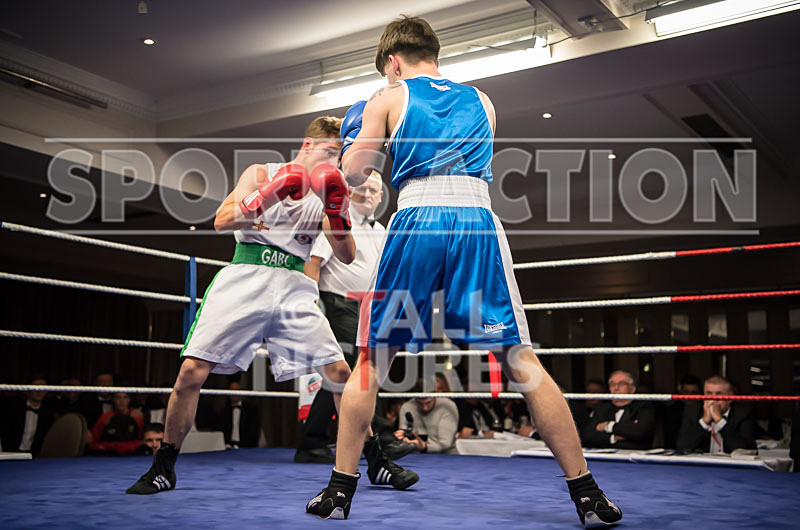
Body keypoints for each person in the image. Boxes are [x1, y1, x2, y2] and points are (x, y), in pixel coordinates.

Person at [307, 16, 622, 527]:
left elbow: (354, 174)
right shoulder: (483, 101)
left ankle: (340, 490)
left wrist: (352, 143)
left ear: (393, 62)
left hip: (417, 217)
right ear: (434, 55)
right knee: (519, 358)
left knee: (371, 360)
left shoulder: (388, 96)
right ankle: (586, 492)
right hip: (477, 218)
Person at [127, 117, 413, 495]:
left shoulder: (331, 190)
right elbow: (222, 220)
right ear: (307, 145)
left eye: (339, 156)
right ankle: (163, 467)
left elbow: (345, 255)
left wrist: (336, 211)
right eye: (330, 152)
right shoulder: (262, 173)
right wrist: (269, 194)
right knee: (192, 372)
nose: (335, 161)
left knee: (341, 374)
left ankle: (376, 460)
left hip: (294, 284)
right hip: (247, 274)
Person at [295, 171, 417, 467]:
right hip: (338, 303)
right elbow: (313, 262)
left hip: (369, 306)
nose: (368, 194)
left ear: (381, 196)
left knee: (345, 374)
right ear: (350, 192)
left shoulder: (381, 229)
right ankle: (383, 437)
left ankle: (312, 442)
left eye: (374, 190)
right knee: (359, 369)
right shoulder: (338, 220)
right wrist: (310, 302)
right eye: (362, 188)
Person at [676, 375, 756, 453]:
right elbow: (682, 446)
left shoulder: (743, 413)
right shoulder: (693, 411)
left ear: (730, 398)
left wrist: (720, 421)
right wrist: (704, 422)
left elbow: (745, 450)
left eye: (718, 394)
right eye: (709, 393)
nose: (713, 399)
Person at [582, 371, 656, 450]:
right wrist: (613, 438)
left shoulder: (644, 407)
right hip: (606, 455)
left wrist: (609, 426)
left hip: (635, 455)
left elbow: (640, 432)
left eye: (621, 384)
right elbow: (587, 437)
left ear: (632, 389)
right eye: (612, 384)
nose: (616, 388)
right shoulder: (602, 409)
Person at [0, 375, 54, 457]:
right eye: (35, 387)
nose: (39, 391)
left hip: (33, 456)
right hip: (10, 453)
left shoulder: (47, 414)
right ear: (27, 390)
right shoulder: (13, 408)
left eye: (42, 387)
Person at [87, 390, 145, 455]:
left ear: (129, 400)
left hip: (133, 454)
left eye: (125, 397)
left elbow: (142, 440)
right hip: (110, 454)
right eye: (118, 397)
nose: (122, 401)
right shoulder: (105, 418)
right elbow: (93, 440)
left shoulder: (137, 417)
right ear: (113, 400)